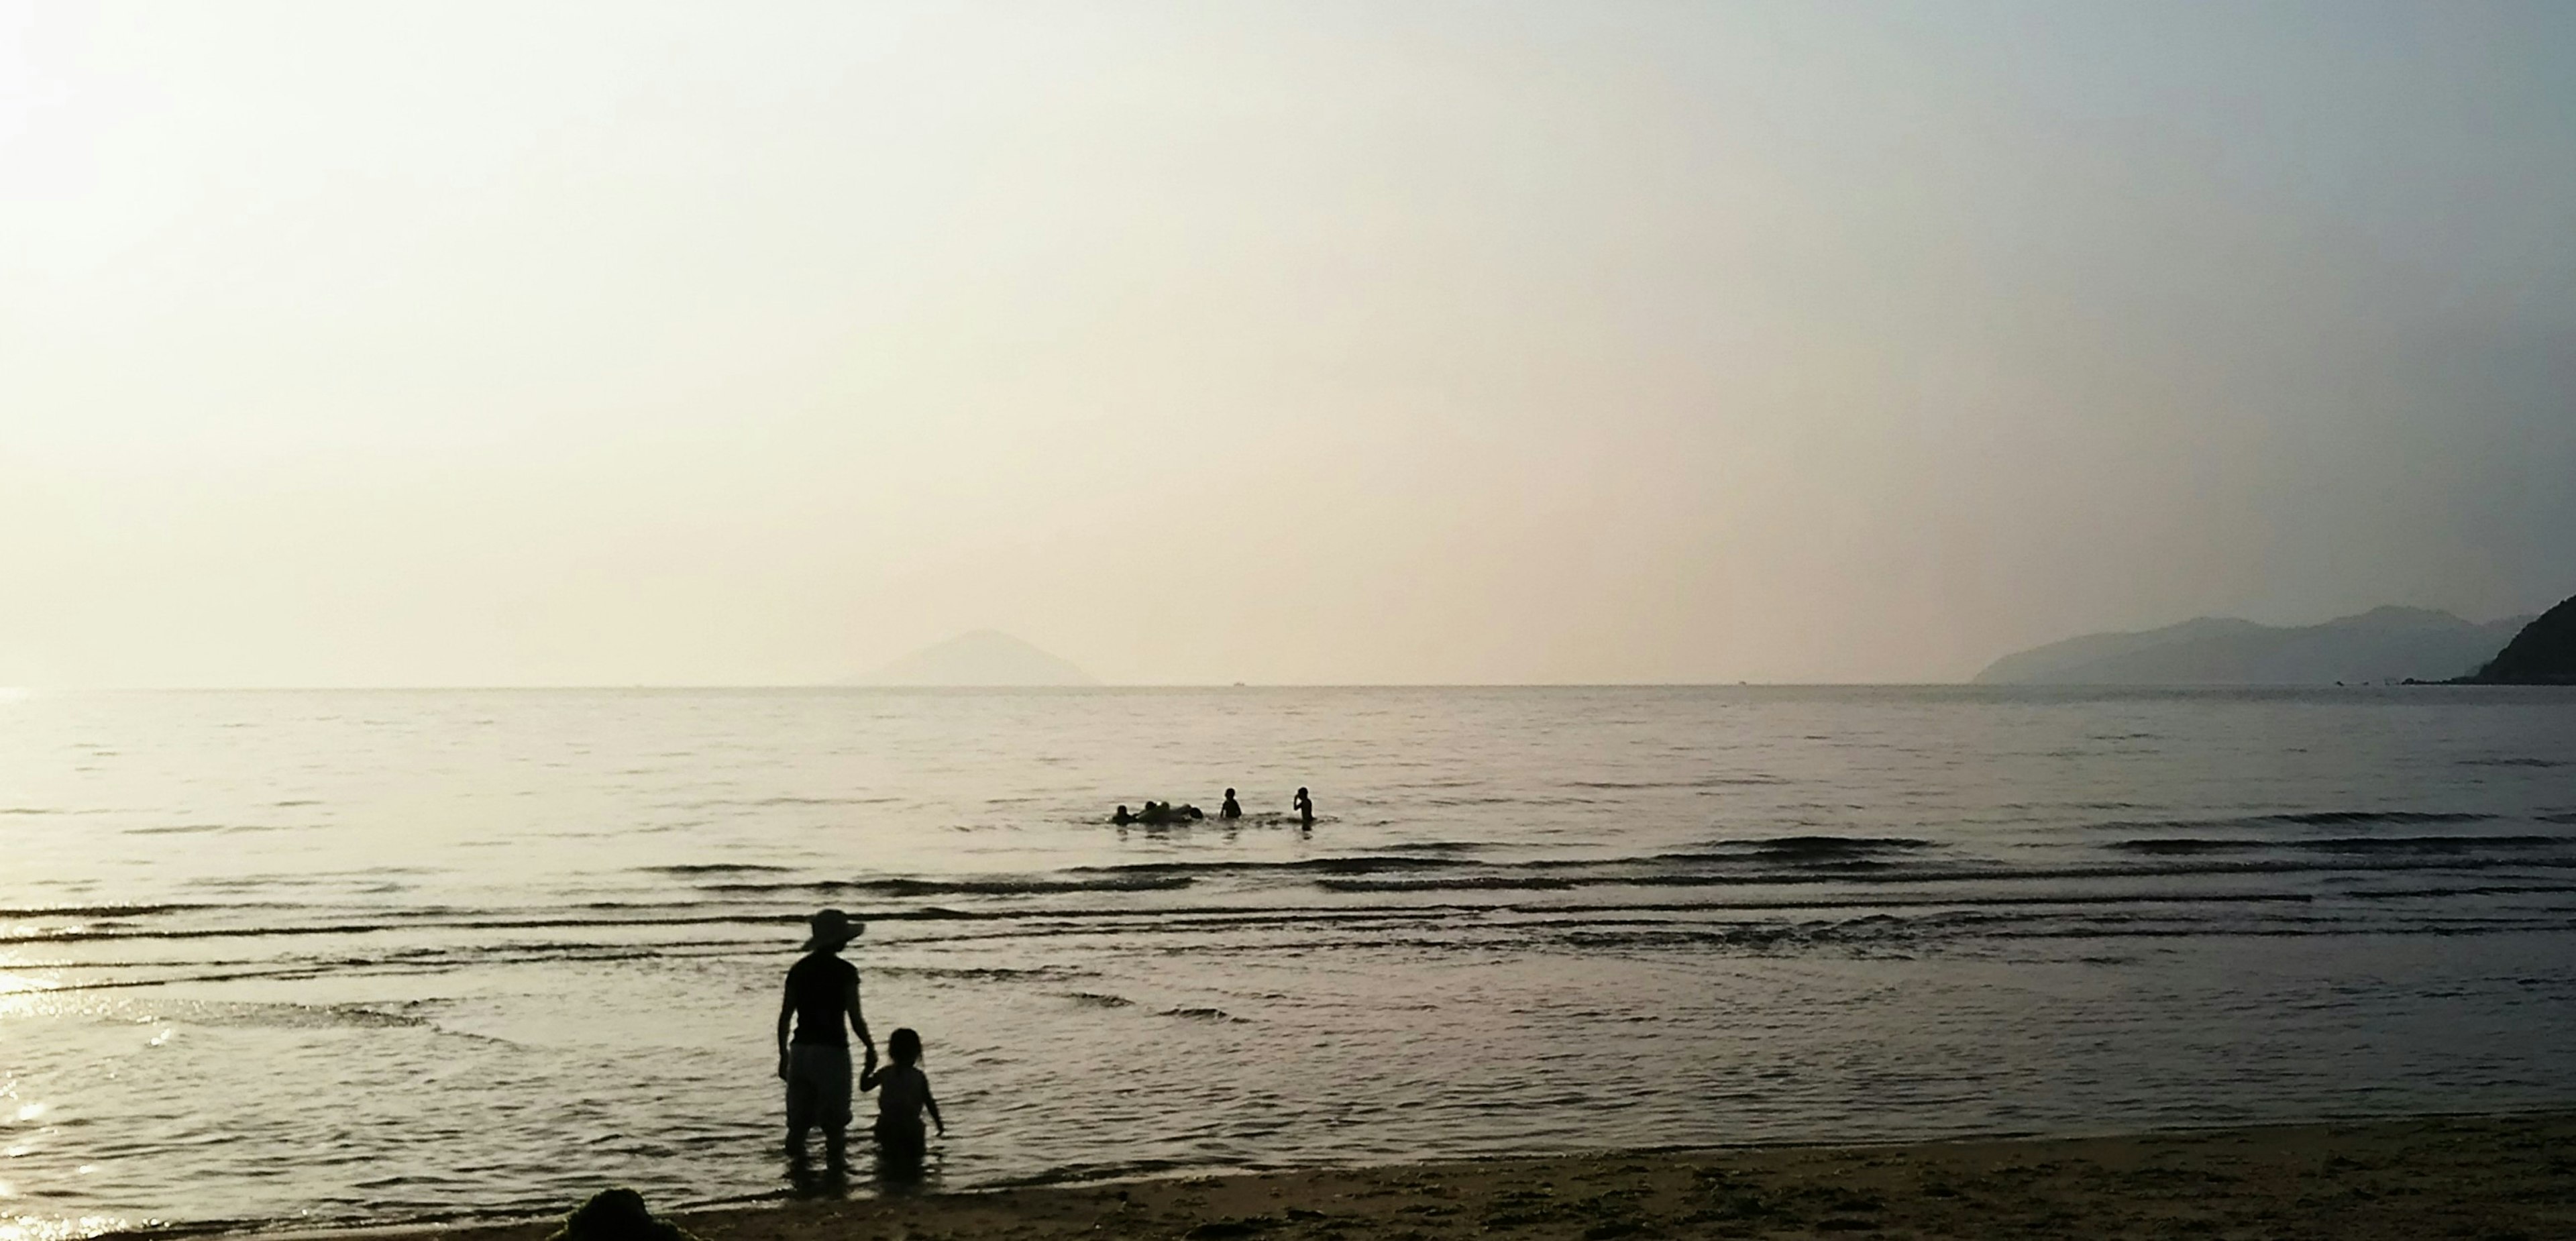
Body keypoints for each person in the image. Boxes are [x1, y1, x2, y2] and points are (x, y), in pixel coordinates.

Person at [777, 908, 873, 1169]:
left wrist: (783, 1054)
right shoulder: (845, 971)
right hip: (832, 1051)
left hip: (801, 1050)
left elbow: (786, 1016)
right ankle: (835, 1180)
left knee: (798, 1126)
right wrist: (870, 1047)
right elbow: (855, 1017)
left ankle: (796, 1178)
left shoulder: (798, 970)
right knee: (834, 1126)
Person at [861, 1027, 945, 1169]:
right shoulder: (918, 1076)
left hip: (887, 1125)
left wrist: (868, 1068)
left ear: (892, 1052)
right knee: (915, 1165)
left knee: (887, 1163)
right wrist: (938, 1123)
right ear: (917, 1053)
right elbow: (929, 1101)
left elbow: (864, 1086)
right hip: (911, 1128)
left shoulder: (885, 1073)